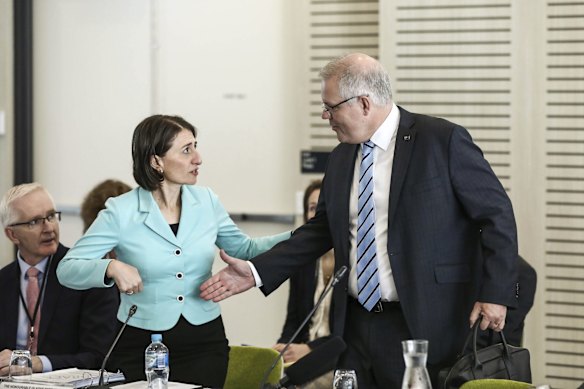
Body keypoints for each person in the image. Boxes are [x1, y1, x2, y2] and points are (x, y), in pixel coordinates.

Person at [200, 53, 519, 388]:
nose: (325, 115)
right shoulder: (341, 156)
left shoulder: (441, 140)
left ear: (364, 103)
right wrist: (256, 272)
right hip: (353, 325)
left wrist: (496, 292)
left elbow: (496, 215)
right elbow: (320, 230)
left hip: (421, 321)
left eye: (331, 106)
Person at [56, 114, 291, 388]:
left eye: (196, 146)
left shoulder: (206, 201)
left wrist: (302, 235)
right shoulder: (121, 211)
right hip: (139, 345)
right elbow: (67, 268)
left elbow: (245, 248)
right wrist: (111, 268)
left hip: (204, 342)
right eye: (187, 150)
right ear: (156, 161)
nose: (198, 158)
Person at [0, 183, 118, 375]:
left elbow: (99, 357)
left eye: (51, 216)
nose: (48, 228)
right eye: (34, 222)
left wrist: (38, 363)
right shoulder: (3, 281)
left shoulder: (89, 273)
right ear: (12, 234)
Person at [273, 180, 334, 388]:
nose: (317, 213)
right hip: (303, 354)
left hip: (336, 355)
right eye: (311, 208)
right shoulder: (304, 263)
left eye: (323, 206)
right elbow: (293, 320)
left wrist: (310, 349)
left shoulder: (355, 261)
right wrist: (282, 348)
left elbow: (351, 331)